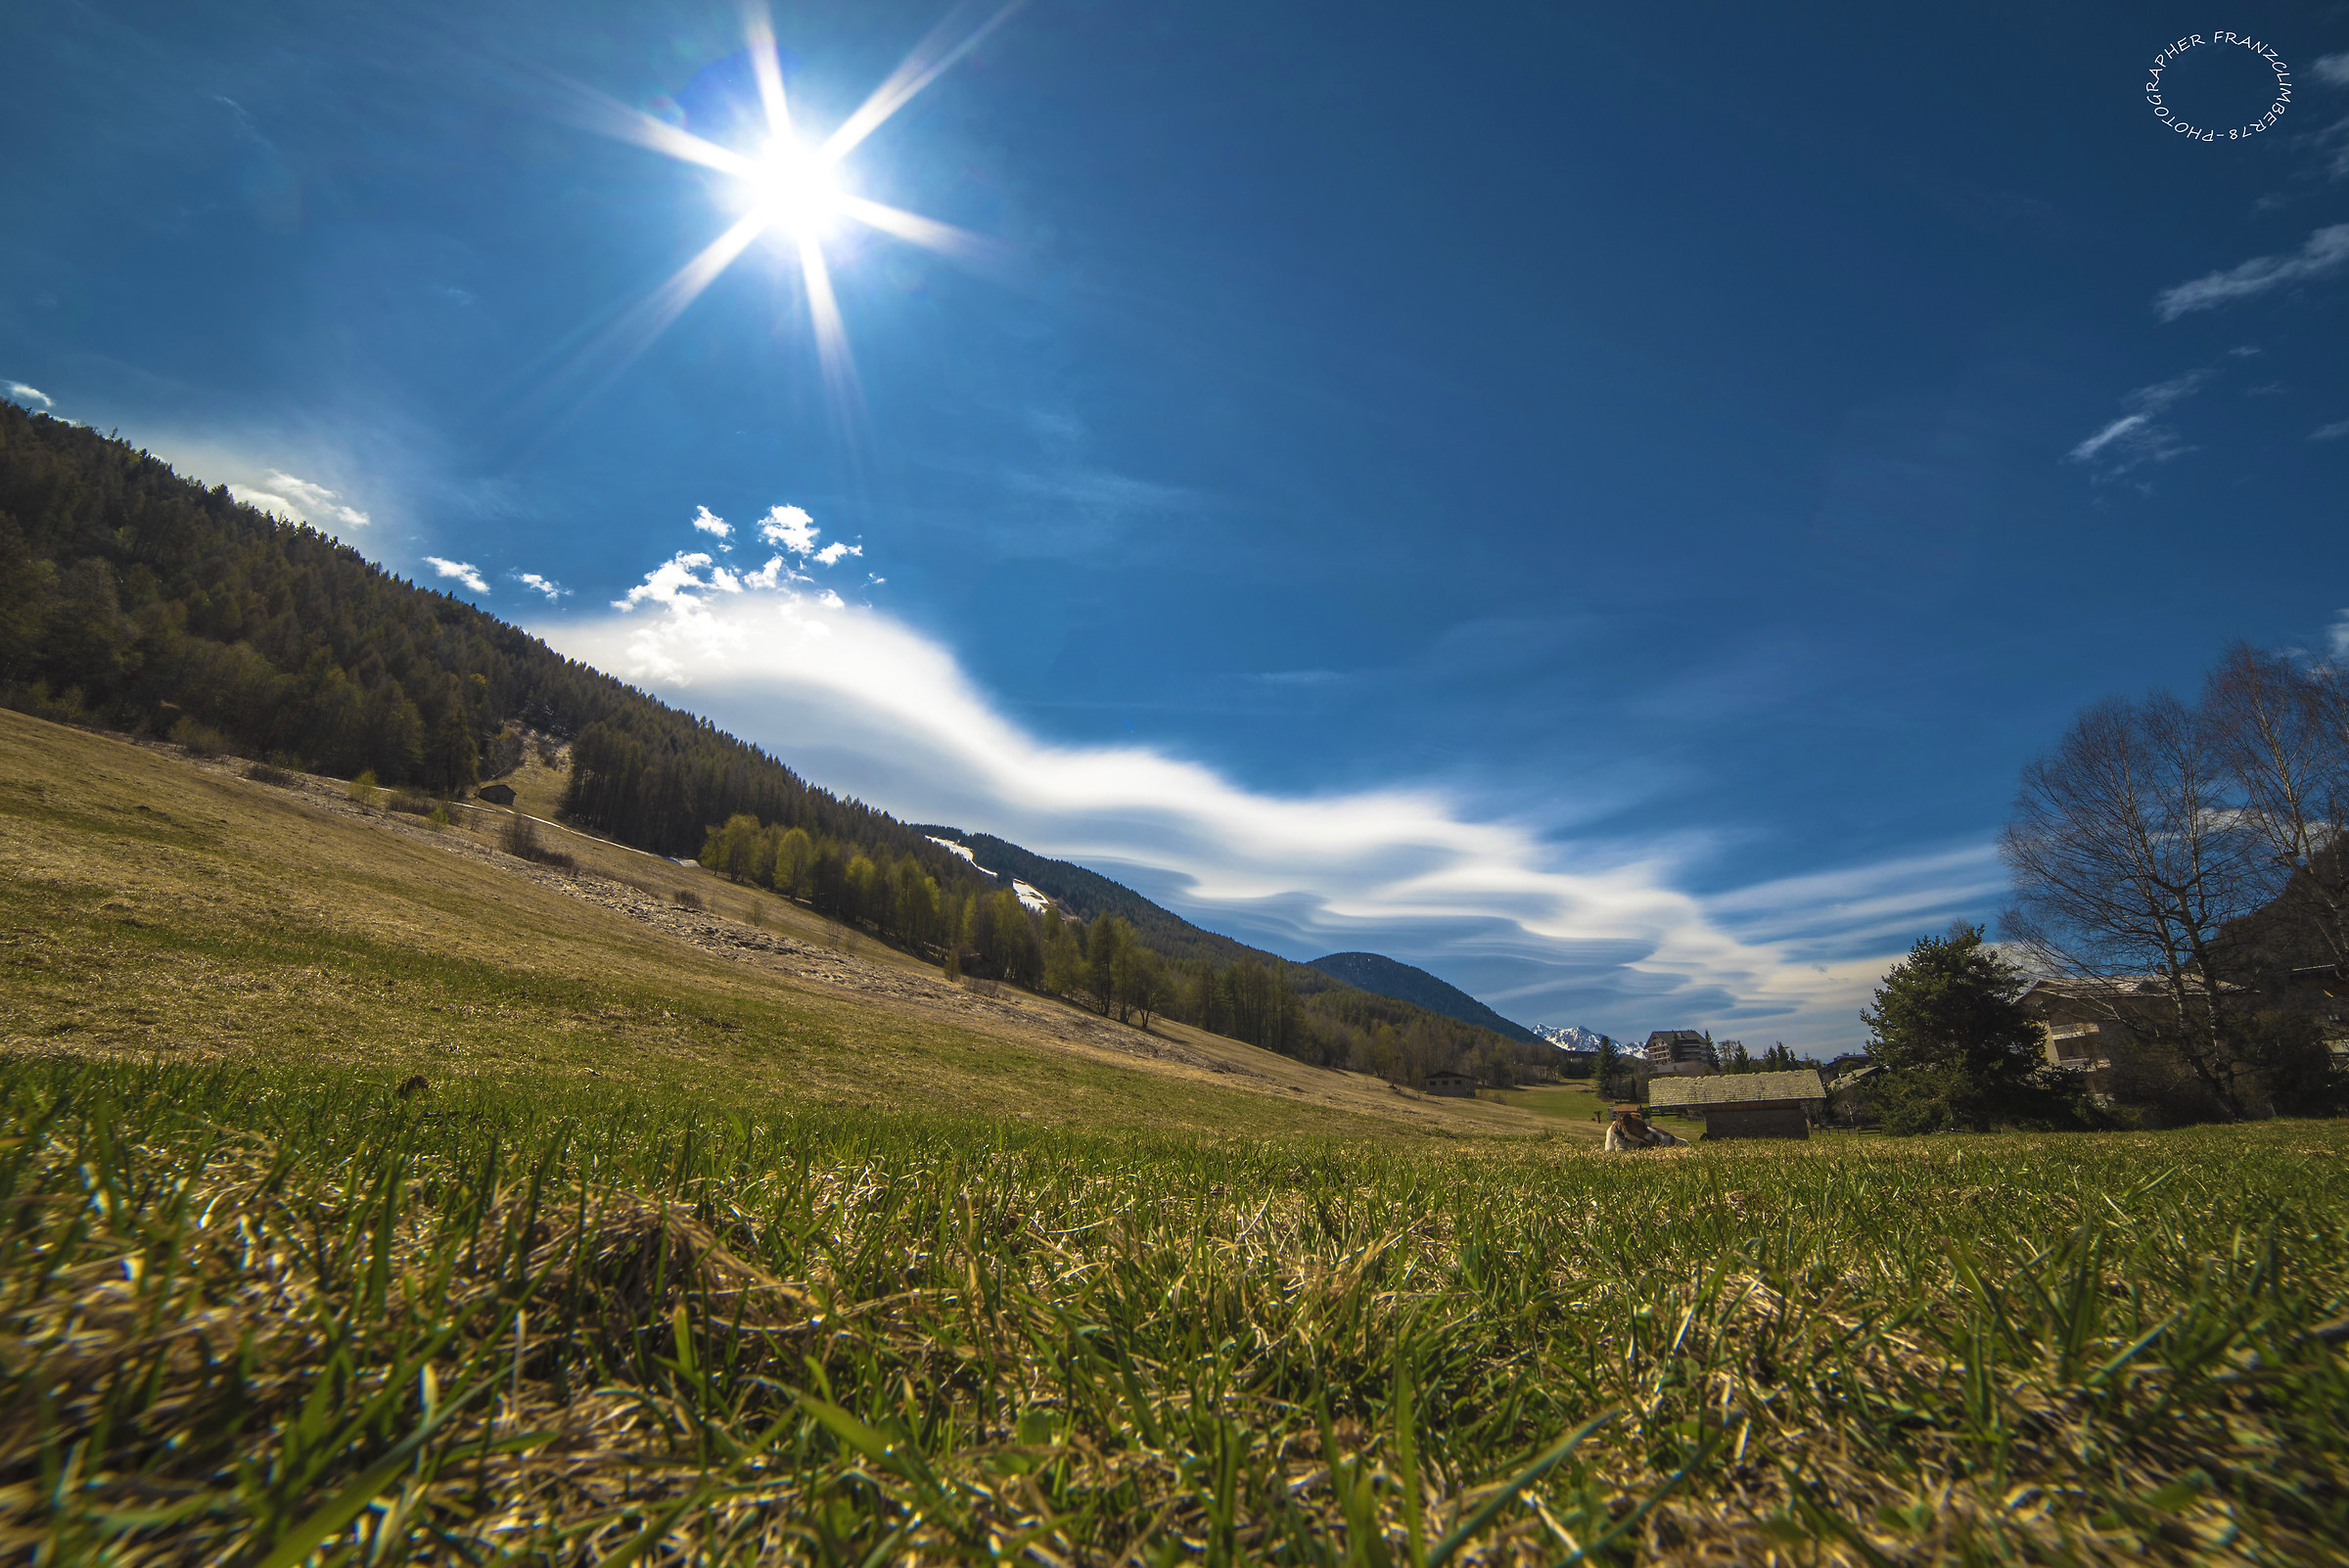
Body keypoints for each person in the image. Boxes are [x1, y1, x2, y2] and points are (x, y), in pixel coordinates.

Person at [1604, 1104, 1683, 1151]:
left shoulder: (1641, 1137)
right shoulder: (1612, 1136)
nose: (1649, 1133)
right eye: (1642, 1128)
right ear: (1624, 1125)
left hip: (1663, 1139)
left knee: (1672, 1141)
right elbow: (1609, 1151)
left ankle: (1684, 1143)